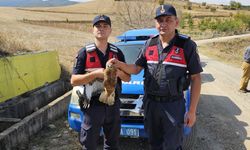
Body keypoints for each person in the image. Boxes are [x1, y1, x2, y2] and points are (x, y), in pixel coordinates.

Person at [110, 4, 202, 150]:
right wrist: (119, 64)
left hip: (173, 105)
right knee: (154, 144)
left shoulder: (186, 45)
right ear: (155, 23)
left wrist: (191, 111)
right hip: (151, 104)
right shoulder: (149, 44)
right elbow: (136, 68)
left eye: (168, 20)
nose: (163, 24)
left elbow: (196, 78)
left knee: (172, 145)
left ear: (176, 22)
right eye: (160, 20)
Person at [71, 14, 130, 150]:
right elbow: (73, 80)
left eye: (105, 26)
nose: (101, 29)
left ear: (110, 30)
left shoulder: (117, 53)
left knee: (112, 144)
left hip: (113, 105)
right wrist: (95, 74)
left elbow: (127, 78)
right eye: (98, 26)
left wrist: (118, 72)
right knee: (89, 144)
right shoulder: (84, 53)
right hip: (92, 106)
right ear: (93, 29)